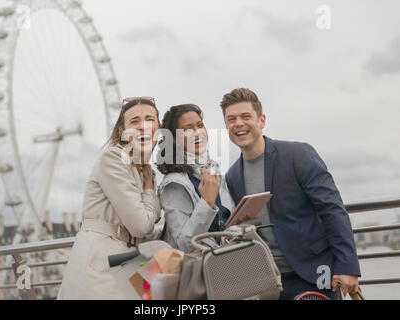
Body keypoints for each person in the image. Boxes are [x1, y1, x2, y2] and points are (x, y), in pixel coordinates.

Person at [220, 88, 361, 300]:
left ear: (261, 120)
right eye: (231, 119)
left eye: (245, 116)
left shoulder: (298, 154)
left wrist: (348, 266)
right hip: (269, 283)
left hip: (315, 275)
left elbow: (332, 210)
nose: (238, 123)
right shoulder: (232, 176)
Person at [57, 97, 161, 299]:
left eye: (150, 119)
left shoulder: (144, 170)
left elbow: (144, 226)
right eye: (134, 121)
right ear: (122, 132)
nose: (143, 126)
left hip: (127, 258)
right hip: (101, 260)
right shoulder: (113, 158)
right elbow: (141, 225)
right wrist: (149, 189)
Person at [157, 104, 234, 253]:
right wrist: (207, 203)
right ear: (173, 140)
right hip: (203, 268)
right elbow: (184, 244)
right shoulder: (174, 184)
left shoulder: (213, 170)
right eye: (187, 129)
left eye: (200, 125)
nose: (197, 132)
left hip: (227, 260)